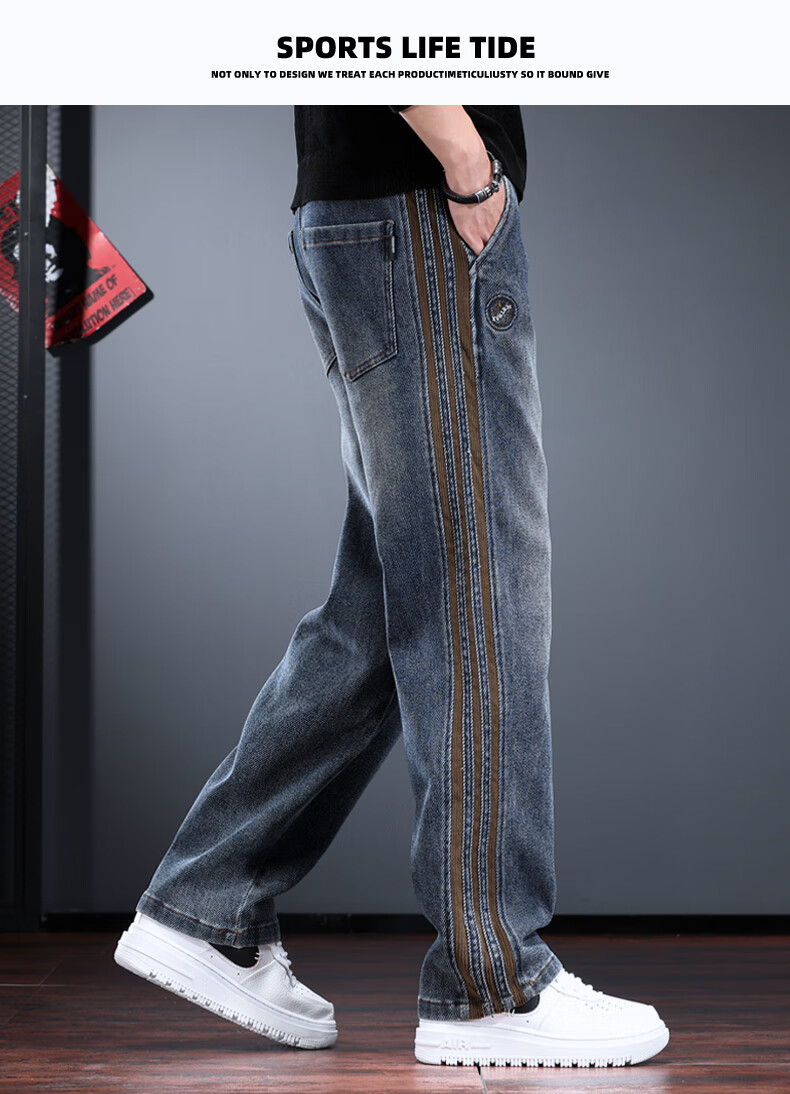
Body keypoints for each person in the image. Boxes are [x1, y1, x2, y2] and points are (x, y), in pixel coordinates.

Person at [114, 105, 670, 1068]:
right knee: (479, 588)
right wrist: (466, 162)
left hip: (368, 213)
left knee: (389, 601)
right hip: (420, 208)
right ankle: (491, 981)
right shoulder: (440, 179)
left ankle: (210, 901)